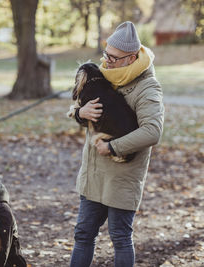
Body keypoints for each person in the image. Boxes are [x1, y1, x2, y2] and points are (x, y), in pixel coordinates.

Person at [69, 21, 164, 267]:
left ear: (131, 58)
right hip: (94, 173)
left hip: (122, 176)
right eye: (105, 54)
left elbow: (152, 132)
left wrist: (113, 147)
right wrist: (82, 114)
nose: (106, 61)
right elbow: (95, 114)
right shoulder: (105, 75)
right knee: (83, 235)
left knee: (120, 238)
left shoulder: (147, 87)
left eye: (113, 58)